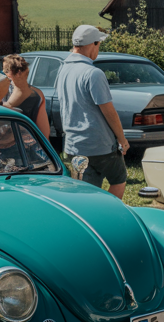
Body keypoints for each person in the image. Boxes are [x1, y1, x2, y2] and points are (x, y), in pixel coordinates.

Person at [54, 25, 130, 198]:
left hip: (74, 144)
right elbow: (108, 111)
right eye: (99, 45)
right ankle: (108, 215)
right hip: (99, 143)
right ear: (93, 44)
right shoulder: (93, 73)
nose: (98, 50)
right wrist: (122, 139)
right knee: (119, 179)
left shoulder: (63, 70)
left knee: (84, 193)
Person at [0, 55, 51, 138]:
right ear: (27, 70)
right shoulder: (38, 93)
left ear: (9, 74)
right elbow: (45, 132)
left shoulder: (11, 102)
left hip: (18, 147)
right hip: (34, 144)